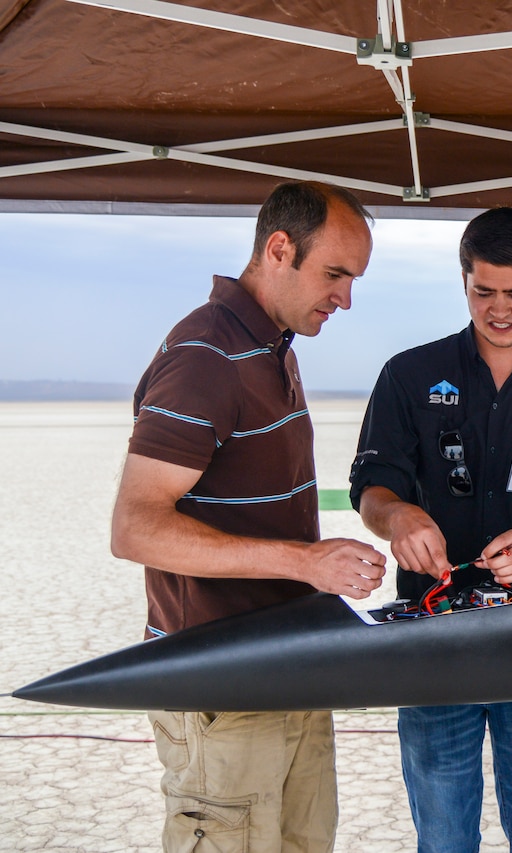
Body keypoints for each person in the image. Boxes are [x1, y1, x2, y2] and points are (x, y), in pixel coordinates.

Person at [110, 180, 388, 851]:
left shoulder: (270, 345)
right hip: (219, 688)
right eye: (334, 274)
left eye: (353, 279)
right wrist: (305, 562)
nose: (346, 297)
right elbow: (135, 527)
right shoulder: (206, 354)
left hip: (290, 669)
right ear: (279, 248)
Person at [349, 206, 512, 853]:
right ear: (463, 281)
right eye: (483, 291)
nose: (499, 309)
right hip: (435, 646)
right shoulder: (407, 378)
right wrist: (397, 516)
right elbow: (372, 488)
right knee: (443, 838)